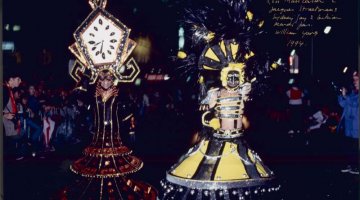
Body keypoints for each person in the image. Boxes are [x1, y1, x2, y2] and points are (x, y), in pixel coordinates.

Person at [338, 71, 359, 174]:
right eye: (353, 79)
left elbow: (355, 105)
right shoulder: (353, 92)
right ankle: (351, 165)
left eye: (356, 79)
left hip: (357, 124)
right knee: (350, 146)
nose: (354, 82)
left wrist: (347, 97)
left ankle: (356, 166)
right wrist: (342, 95)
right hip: (349, 124)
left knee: (356, 146)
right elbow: (343, 104)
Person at [3, 71, 23, 160]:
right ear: (11, 80)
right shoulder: (4, 90)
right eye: (18, 79)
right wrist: (4, 114)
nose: (20, 81)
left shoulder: (8, 90)